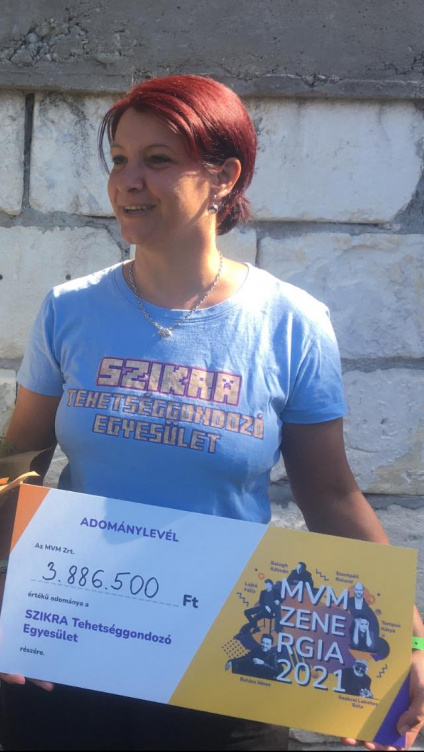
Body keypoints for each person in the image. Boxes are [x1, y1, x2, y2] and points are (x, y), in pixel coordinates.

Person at [0, 74, 423, 751]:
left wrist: (407, 634)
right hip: (69, 651)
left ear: (224, 178)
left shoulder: (291, 323)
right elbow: (16, 462)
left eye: (157, 159)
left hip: (223, 665)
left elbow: (330, 494)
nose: (128, 181)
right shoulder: (69, 309)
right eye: (119, 159)